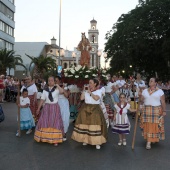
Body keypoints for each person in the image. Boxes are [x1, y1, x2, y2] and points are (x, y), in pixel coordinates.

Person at [72, 79, 107, 150]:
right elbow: (81, 98)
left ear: (95, 84)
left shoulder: (99, 91)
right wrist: (84, 91)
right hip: (86, 108)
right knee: (86, 124)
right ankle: (86, 140)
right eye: (89, 83)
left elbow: (96, 98)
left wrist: (90, 92)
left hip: (95, 109)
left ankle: (97, 142)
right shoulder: (86, 91)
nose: (89, 84)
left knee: (95, 124)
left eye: (91, 83)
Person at [34, 76, 64, 146]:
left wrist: (57, 85)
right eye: (49, 80)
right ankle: (45, 138)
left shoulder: (56, 89)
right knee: (45, 122)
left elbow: (62, 91)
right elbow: (42, 99)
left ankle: (55, 139)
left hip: (55, 108)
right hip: (47, 107)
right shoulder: (45, 90)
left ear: (54, 81)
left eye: (52, 80)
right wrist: (38, 109)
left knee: (55, 123)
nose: (50, 82)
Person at [139, 78, 166, 150]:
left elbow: (163, 102)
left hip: (156, 110)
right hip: (146, 110)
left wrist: (164, 111)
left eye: (151, 81)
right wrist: (140, 95)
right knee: (148, 125)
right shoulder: (145, 91)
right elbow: (141, 101)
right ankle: (149, 141)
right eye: (149, 81)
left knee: (155, 126)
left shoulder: (160, 91)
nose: (150, 82)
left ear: (155, 83)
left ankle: (151, 140)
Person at [55, 76, 70, 141]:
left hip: (64, 104)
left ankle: (64, 133)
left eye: (56, 80)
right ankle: (57, 133)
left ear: (60, 81)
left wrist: (63, 88)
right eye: (54, 80)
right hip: (56, 104)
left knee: (65, 119)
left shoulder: (66, 87)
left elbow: (67, 95)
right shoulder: (53, 88)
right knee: (57, 119)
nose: (55, 82)